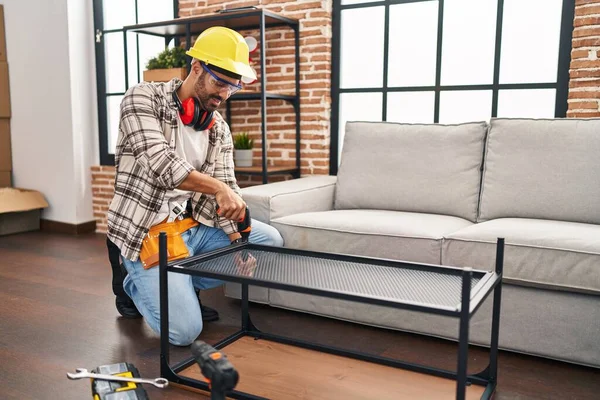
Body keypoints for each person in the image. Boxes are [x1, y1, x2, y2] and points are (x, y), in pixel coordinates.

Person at [106, 26, 283, 346]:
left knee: (266, 241)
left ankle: (179, 284)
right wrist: (217, 188)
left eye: (234, 87)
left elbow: (228, 186)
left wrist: (237, 239)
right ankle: (133, 282)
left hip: (193, 228)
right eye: (220, 83)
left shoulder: (218, 129)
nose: (225, 94)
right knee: (184, 333)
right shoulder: (143, 98)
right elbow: (160, 164)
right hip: (147, 232)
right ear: (197, 68)